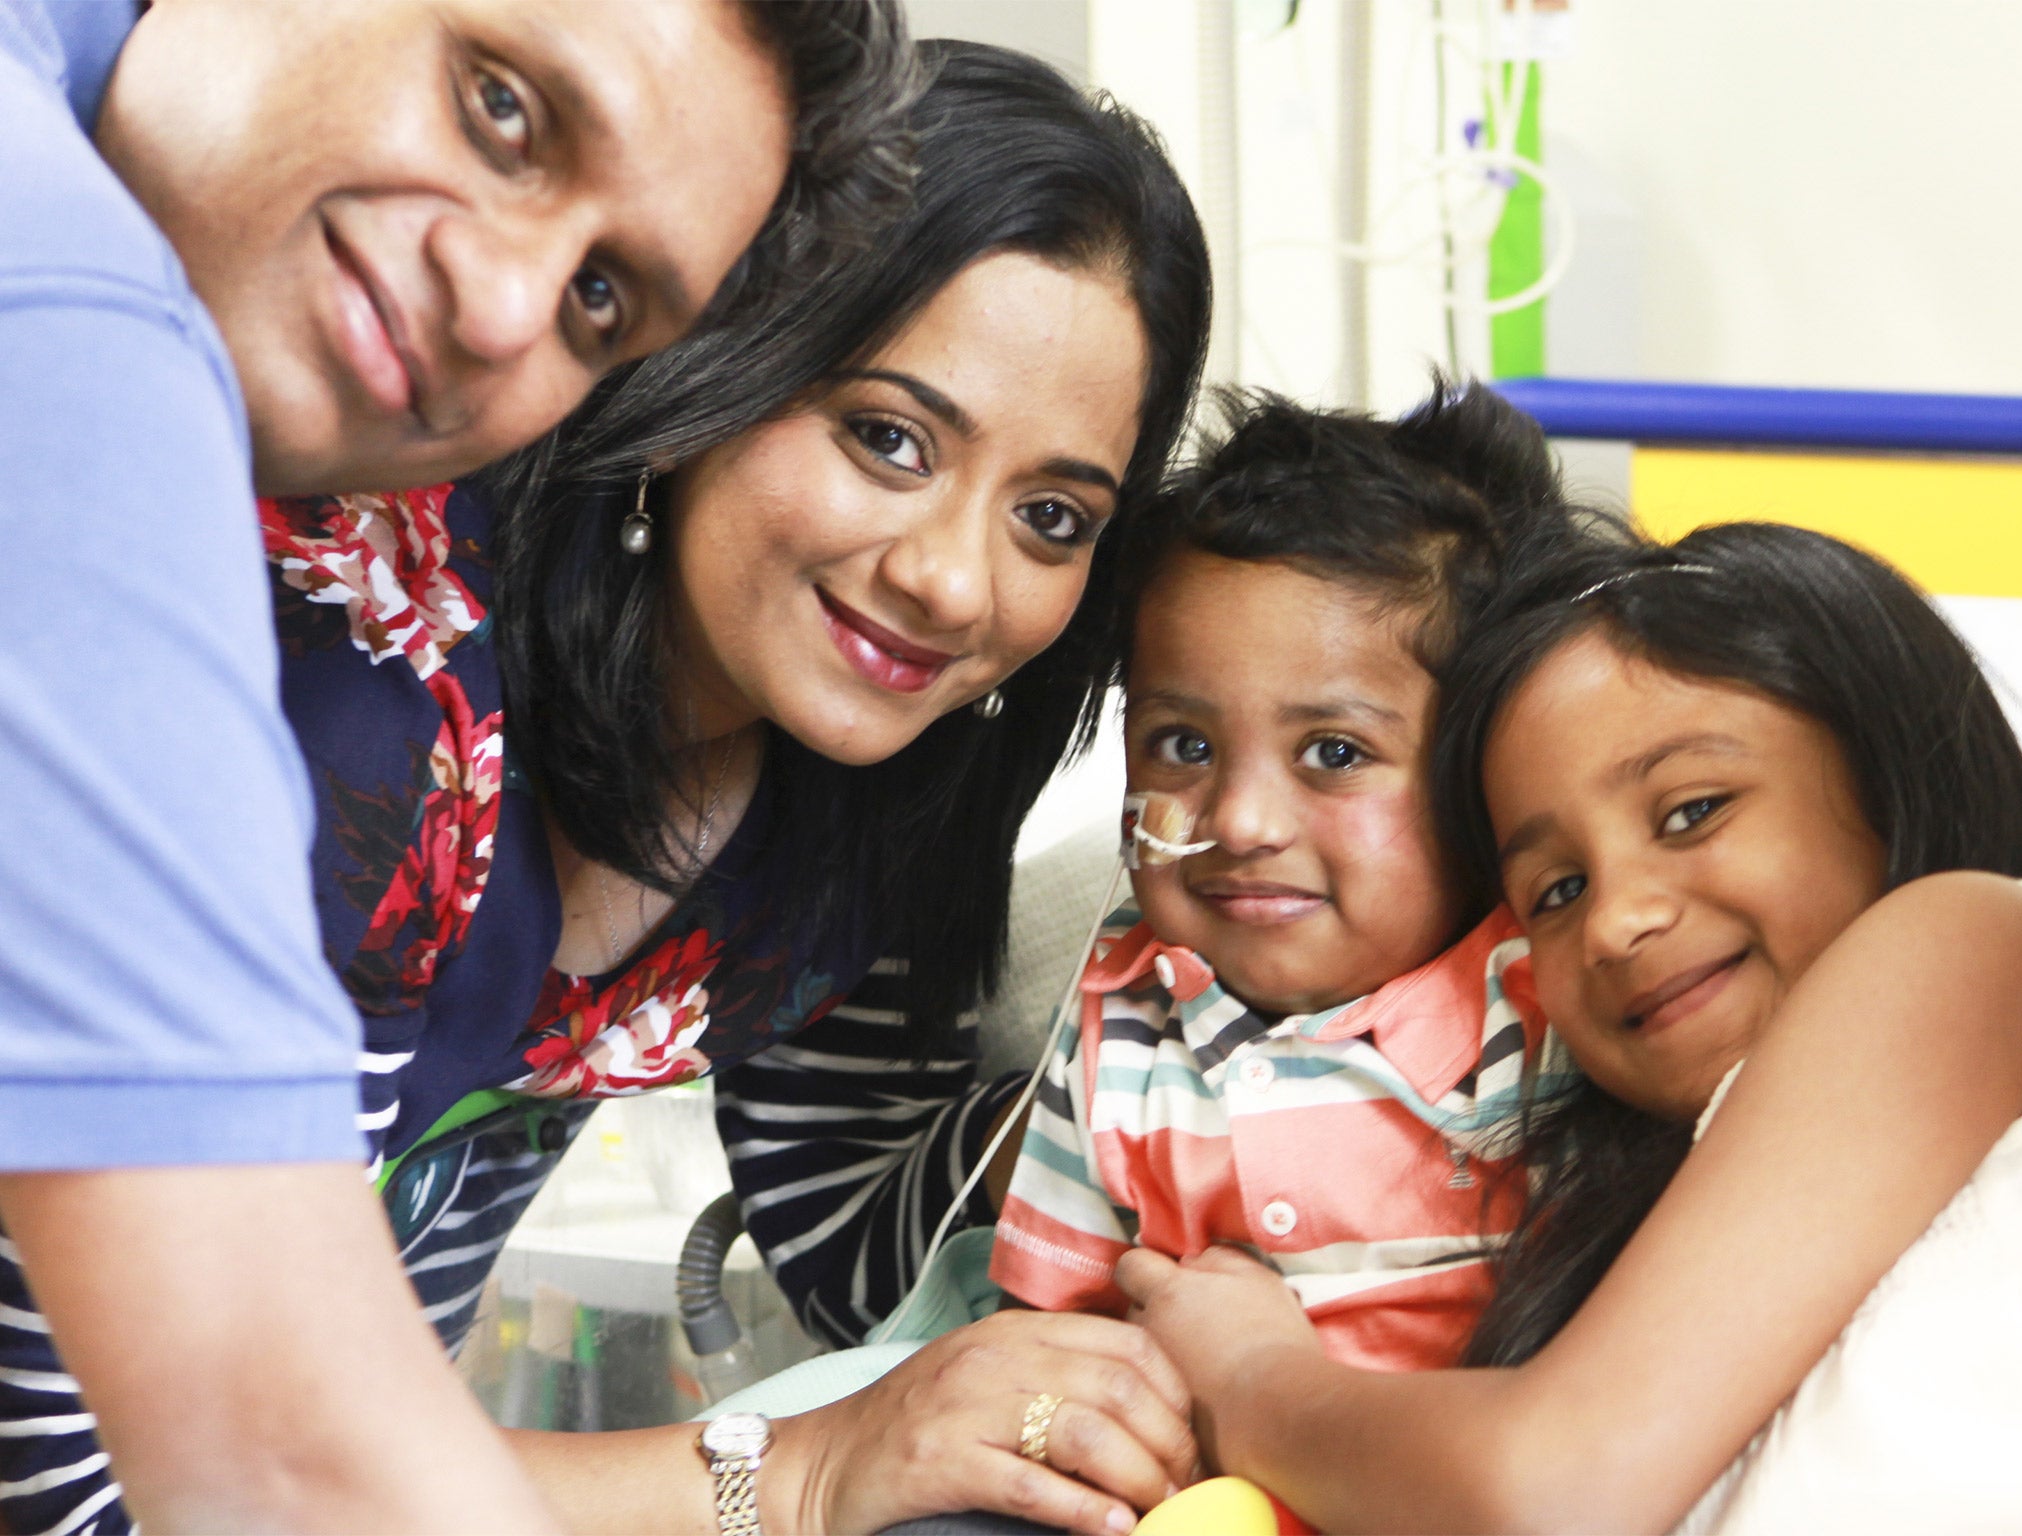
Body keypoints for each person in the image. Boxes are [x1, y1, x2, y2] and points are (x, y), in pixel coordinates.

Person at [2, 39, 1215, 1536]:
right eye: (886, 438)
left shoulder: (859, 794)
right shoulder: (373, 713)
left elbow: (855, 1237)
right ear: (711, 362)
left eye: (1050, 516)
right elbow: (102, 1491)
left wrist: (1217, 1087)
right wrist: (790, 1477)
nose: (952, 582)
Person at [1116, 523, 2022, 1533]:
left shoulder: (1977, 938)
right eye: (1554, 889)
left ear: (1888, 771)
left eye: (1691, 811)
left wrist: (1250, 1374)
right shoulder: (1625, 1237)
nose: (1613, 921)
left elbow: (1547, 1492)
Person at [990, 386, 1585, 1370]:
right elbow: (1048, 1347)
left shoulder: (1545, 1003)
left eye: (1334, 753)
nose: (1240, 821)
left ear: (1484, 770)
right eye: (1181, 744)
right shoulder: (1116, 1028)